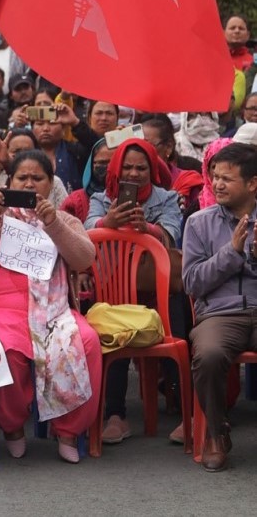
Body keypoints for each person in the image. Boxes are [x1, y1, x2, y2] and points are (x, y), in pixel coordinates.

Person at [0, 151, 101, 463]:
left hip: (54, 310)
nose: (30, 183)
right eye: (22, 177)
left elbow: (84, 259)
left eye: (38, 178)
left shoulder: (63, 219)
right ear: (10, 183)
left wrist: (53, 224)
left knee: (85, 342)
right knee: (5, 350)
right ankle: (12, 427)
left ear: (51, 184)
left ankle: (67, 431)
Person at [84, 138, 184, 445]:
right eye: (127, 166)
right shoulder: (103, 198)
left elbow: (172, 233)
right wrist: (107, 222)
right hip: (115, 289)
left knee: (180, 318)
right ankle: (116, 415)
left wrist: (149, 229)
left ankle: (186, 412)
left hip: (159, 290)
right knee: (111, 324)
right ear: (116, 168)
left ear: (153, 169)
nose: (134, 173)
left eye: (142, 167)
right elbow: (87, 232)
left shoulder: (167, 197)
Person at [182, 142, 257, 471]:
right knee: (209, 354)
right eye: (215, 177)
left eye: (228, 178)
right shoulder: (199, 223)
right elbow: (193, 283)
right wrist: (233, 252)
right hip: (221, 314)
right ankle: (216, 432)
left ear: (253, 183)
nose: (218, 184)